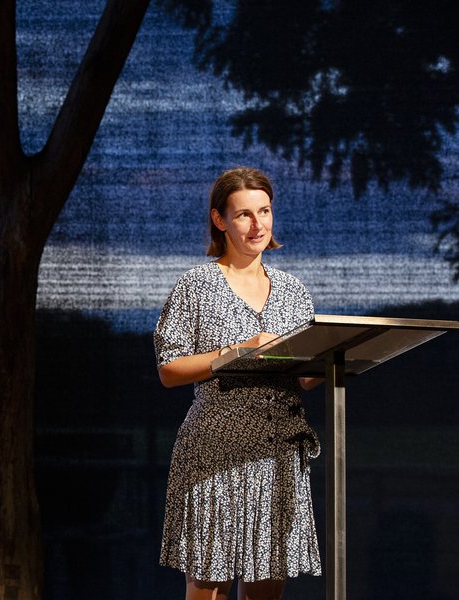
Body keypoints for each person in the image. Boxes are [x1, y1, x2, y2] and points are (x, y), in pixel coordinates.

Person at [153, 167, 322, 600]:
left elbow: (305, 378)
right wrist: (237, 352)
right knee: (208, 587)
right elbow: (169, 369)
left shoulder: (292, 290)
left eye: (264, 211)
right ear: (219, 220)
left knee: (266, 588)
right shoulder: (197, 285)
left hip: (277, 451)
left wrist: (321, 365)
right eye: (244, 214)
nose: (257, 224)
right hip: (216, 448)